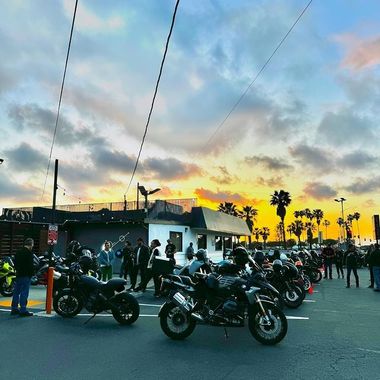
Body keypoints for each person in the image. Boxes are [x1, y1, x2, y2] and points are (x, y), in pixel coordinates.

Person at [11, 238, 35, 317]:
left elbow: (15, 263)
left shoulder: (18, 252)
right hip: (26, 275)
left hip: (19, 274)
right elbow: (30, 266)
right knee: (24, 292)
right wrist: (32, 274)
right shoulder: (29, 253)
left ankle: (14, 308)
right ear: (31, 244)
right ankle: (23, 310)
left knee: (16, 292)